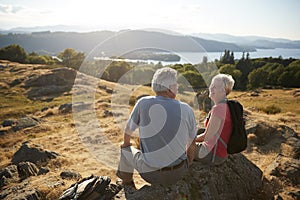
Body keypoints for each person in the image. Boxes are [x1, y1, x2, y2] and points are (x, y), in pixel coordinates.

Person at [116, 67, 197, 188]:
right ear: (170, 88)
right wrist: (188, 162)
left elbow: (128, 130)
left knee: (126, 149)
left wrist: (126, 144)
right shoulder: (186, 109)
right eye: (176, 85)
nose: (178, 87)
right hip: (178, 173)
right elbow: (192, 143)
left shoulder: (143, 103)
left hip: (150, 175)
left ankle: (127, 183)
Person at [192, 73, 235, 165]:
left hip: (213, 154)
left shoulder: (219, 109)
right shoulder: (227, 105)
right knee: (199, 131)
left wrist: (188, 141)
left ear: (224, 90)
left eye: (215, 86)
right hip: (220, 151)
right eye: (211, 85)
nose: (211, 88)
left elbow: (206, 137)